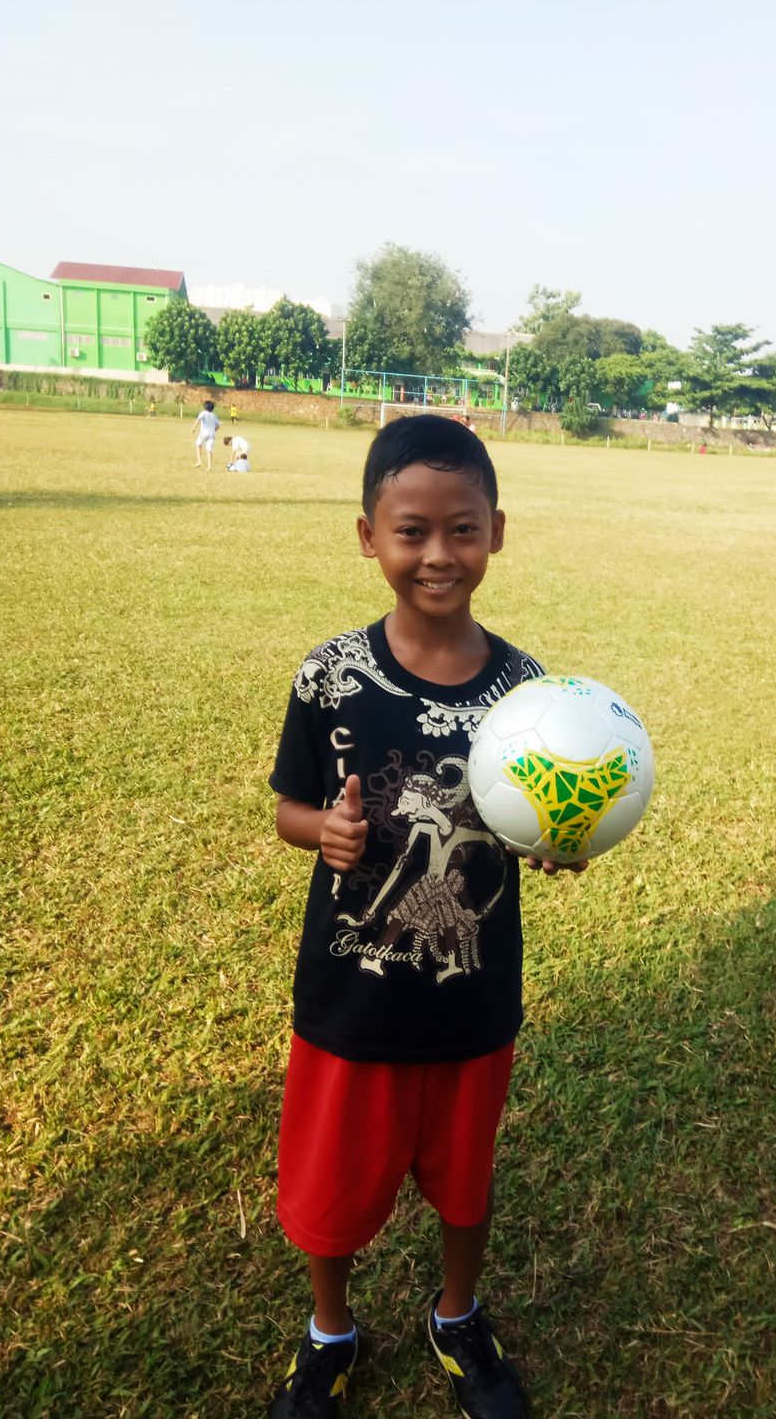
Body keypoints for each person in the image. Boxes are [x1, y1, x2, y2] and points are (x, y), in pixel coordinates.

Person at [266, 415, 586, 1419]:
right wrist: (325, 830)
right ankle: (330, 1330)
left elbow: (543, 818)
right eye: (412, 531)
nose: (438, 554)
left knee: (464, 1182)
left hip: (469, 997)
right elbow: (287, 808)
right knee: (331, 1190)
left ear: (498, 532)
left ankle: (458, 1316)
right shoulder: (330, 676)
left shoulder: (527, 694)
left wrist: (559, 840)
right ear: (369, 536)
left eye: (463, 529)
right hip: (351, 998)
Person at [191, 400, 220, 469]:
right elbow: (218, 426)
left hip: (204, 432)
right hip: (212, 433)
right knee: (209, 448)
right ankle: (209, 466)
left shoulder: (203, 413)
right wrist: (213, 431)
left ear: (205, 407)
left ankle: (199, 461)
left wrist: (193, 428)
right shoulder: (214, 415)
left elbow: (198, 420)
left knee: (198, 444)